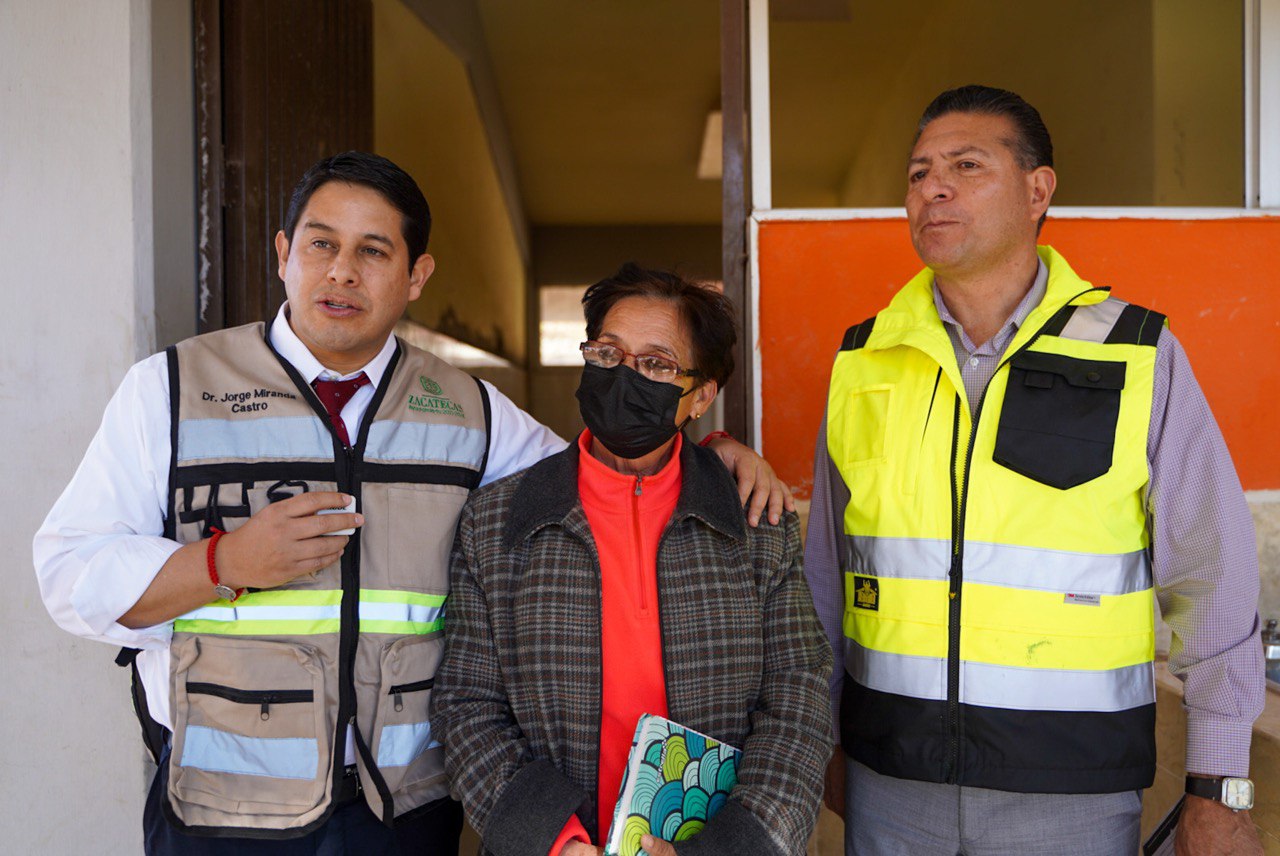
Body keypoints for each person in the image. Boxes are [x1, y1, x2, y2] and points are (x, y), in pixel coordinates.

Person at [33, 153, 792, 855]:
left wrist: (712, 458)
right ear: (282, 254)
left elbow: (600, 474)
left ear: (417, 274)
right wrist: (223, 562)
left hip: (402, 812)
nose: (341, 272)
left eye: (373, 251)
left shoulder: (470, 411)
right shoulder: (173, 390)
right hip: (222, 802)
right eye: (320, 244)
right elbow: (69, 574)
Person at [805, 86, 1264, 855]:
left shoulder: (1133, 354)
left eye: (965, 165)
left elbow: (1211, 575)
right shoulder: (865, 361)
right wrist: (815, 741)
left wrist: (1220, 788)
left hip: (1071, 798)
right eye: (918, 173)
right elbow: (824, 580)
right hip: (888, 788)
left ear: (1037, 190)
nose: (932, 188)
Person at [431, 264, 833, 856]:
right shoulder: (497, 522)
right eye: (609, 353)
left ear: (699, 397)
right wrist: (554, 841)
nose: (626, 377)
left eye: (657, 364)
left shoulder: (753, 523)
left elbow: (800, 697)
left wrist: (729, 847)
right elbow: (466, 703)